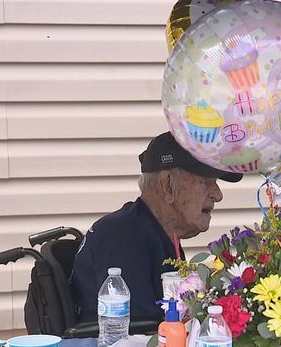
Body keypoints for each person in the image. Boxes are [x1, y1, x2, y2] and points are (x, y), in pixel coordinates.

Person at [71, 132, 242, 322]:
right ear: (168, 185)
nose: (218, 195)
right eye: (207, 182)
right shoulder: (124, 238)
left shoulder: (156, 233)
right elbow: (139, 335)